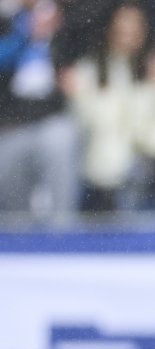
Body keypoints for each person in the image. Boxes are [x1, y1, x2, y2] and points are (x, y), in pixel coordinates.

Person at [65, 4, 155, 211]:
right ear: (110, 30)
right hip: (105, 155)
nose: (128, 36)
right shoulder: (88, 69)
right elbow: (86, 120)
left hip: (150, 155)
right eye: (122, 30)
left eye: (135, 30)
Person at [0, 0, 78, 216]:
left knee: (62, 140)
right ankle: (19, 241)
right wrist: (28, 33)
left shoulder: (64, 17)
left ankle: (62, 232)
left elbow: (78, 57)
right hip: (9, 124)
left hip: (51, 119)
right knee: (13, 202)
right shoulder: (6, 20)